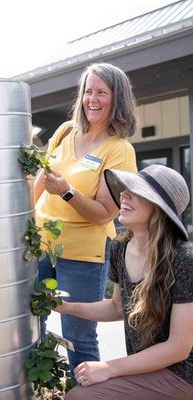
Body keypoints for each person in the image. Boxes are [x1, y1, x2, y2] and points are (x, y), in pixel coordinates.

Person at [55, 164, 193, 400]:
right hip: (143, 366)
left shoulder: (183, 259)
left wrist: (110, 367)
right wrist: (64, 307)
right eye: (126, 188)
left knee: (80, 397)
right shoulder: (119, 247)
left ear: (159, 208)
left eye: (137, 192)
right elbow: (117, 306)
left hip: (180, 373)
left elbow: (178, 348)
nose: (124, 194)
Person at [35, 62, 138, 373]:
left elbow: (106, 213)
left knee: (78, 336)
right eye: (88, 92)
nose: (93, 99)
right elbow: (39, 183)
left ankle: (84, 393)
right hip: (39, 244)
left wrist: (67, 192)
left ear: (116, 99)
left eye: (102, 93)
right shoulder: (65, 132)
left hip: (83, 253)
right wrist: (18, 225)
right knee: (26, 321)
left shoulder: (118, 150)